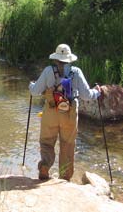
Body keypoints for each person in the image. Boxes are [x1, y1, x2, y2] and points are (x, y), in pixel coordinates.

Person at [28, 44, 102, 181]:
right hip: (70, 113)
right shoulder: (76, 72)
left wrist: (31, 85)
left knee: (46, 142)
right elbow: (86, 96)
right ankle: (65, 177)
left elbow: (35, 91)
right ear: (70, 59)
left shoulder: (48, 71)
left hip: (50, 111)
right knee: (67, 145)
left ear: (55, 59)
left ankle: (45, 165)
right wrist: (97, 92)